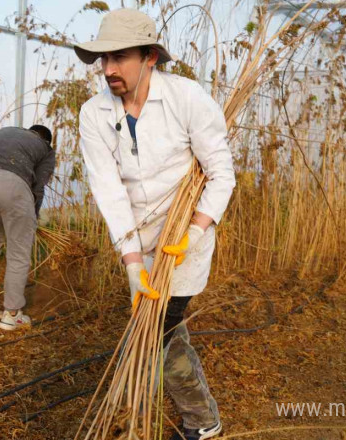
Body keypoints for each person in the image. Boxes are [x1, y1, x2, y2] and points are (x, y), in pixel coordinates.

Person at [74, 8, 235, 440]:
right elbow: (109, 190)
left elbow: (222, 173)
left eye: (119, 57)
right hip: (137, 245)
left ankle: (184, 420)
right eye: (102, 59)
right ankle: (201, 420)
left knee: (157, 334)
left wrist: (194, 232)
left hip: (184, 243)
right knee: (161, 332)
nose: (107, 69)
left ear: (149, 57)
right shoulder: (93, 114)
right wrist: (131, 263)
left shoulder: (187, 98)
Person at [0, 125, 55, 331]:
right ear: (46, 140)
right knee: (18, 253)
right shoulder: (46, 149)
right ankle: (13, 315)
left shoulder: (5, 131)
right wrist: (31, 219)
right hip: (13, 184)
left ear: (29, 131)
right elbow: (38, 188)